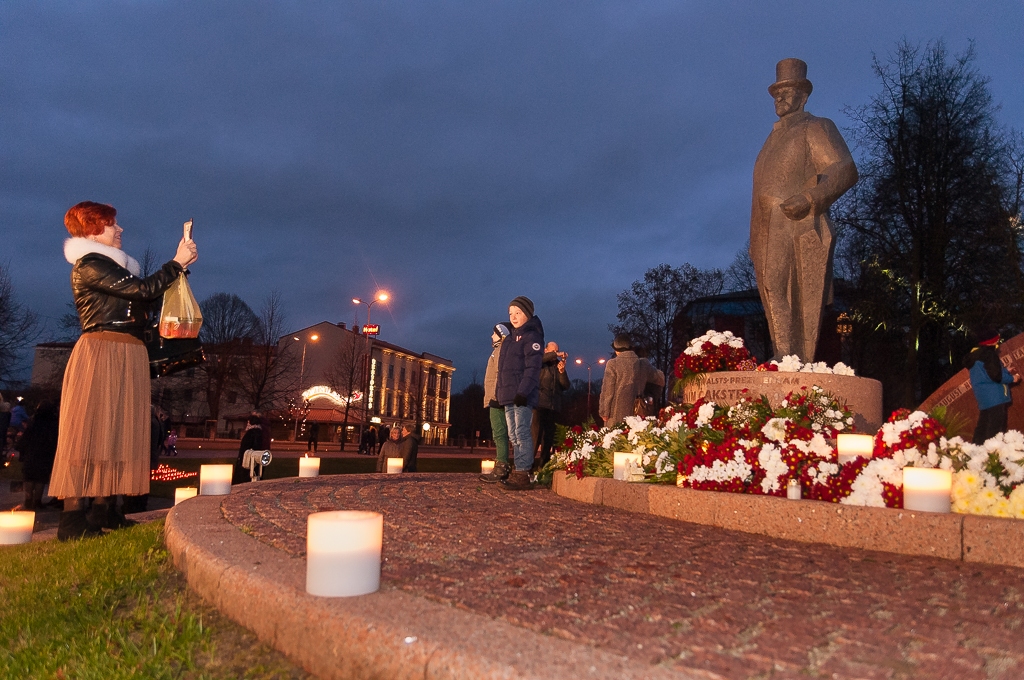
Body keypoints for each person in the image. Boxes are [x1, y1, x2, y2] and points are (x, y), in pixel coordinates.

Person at [49, 201, 197, 540]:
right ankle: (72, 518)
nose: (120, 229)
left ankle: (106, 508)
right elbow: (142, 290)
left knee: (119, 429)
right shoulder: (89, 263)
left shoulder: (114, 266)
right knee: (90, 429)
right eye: (112, 224)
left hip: (128, 352)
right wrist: (175, 263)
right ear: (92, 229)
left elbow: (145, 299)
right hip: (103, 350)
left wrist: (180, 270)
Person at [750, 58, 858, 361]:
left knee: (789, 291)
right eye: (776, 94)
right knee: (772, 291)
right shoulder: (771, 139)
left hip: (795, 221)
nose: (780, 99)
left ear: (803, 96)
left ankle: (793, 358)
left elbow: (845, 169)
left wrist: (811, 198)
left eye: (787, 92)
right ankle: (783, 355)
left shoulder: (816, 126)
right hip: (767, 227)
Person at [495, 296, 544, 490]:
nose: (513, 317)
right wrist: (500, 394)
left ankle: (523, 471)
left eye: (518, 313)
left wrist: (523, 391)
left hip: (522, 396)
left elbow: (532, 368)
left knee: (522, 432)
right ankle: (519, 469)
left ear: (527, 314)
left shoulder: (532, 337)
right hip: (508, 395)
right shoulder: (509, 340)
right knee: (513, 434)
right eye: (510, 313)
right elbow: (502, 370)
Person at [965, 331, 1020, 444]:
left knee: (982, 427)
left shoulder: (975, 355)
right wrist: (1012, 378)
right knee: (996, 431)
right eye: (997, 340)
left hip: (984, 398)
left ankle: (975, 452)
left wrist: (1005, 371)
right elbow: (996, 376)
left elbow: (986, 374)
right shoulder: (989, 355)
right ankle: (992, 457)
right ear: (992, 341)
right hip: (996, 397)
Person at [599, 334, 665, 428]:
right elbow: (660, 379)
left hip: (617, 413)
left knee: (616, 438)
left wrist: (604, 412)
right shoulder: (643, 364)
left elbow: (608, 390)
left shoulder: (613, 364)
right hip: (639, 412)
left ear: (616, 350)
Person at [481, 323, 512, 482]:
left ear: (501, 335)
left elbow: (501, 375)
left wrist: (496, 396)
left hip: (497, 397)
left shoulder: (501, 351)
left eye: (494, 334)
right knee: (502, 433)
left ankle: (502, 467)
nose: (491, 336)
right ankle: (503, 465)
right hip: (497, 396)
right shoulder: (498, 351)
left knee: (499, 433)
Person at [15, 400, 60, 511]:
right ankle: (37, 501)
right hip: (45, 454)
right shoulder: (54, 425)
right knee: (40, 478)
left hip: (31, 453)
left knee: (29, 477)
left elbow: (24, 440)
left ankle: (28, 499)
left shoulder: (33, 423)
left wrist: (20, 448)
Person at [532, 342, 570, 469]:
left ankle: (543, 468)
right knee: (535, 437)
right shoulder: (539, 361)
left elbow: (565, 386)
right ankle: (527, 468)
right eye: (553, 351)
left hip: (553, 407)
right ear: (545, 350)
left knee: (548, 439)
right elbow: (540, 359)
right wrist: (555, 354)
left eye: (557, 350)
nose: (556, 354)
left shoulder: (557, 365)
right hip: (539, 405)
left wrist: (562, 371)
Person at [235, 415, 265, 483]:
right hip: (255, 456)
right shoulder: (259, 432)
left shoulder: (251, 432)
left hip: (248, 456)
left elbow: (246, 445)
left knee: (245, 474)